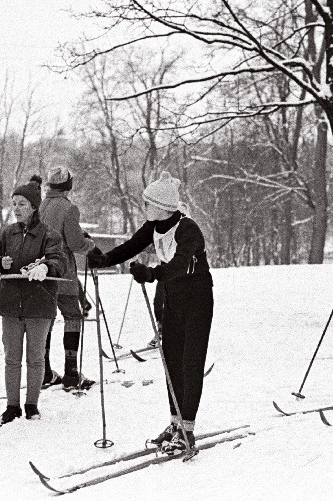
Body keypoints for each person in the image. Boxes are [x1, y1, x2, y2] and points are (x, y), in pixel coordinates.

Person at [87, 171, 213, 454]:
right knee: (171, 360)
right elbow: (132, 245)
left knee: (190, 363)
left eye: (147, 203)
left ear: (162, 205)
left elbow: (182, 264)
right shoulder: (154, 226)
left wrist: (153, 274)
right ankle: (175, 422)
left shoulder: (187, 228)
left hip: (198, 298)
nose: (143, 207)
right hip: (174, 298)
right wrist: (105, 259)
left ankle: (187, 430)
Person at [0, 176, 66, 426]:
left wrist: (46, 268)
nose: (17, 209)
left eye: (22, 204)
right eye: (14, 204)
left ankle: (32, 405)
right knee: (12, 358)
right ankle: (12, 406)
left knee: (35, 357)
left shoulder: (49, 235)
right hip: (10, 304)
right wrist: (0, 263)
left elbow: (59, 262)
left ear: (33, 206)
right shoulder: (5, 234)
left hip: (39, 304)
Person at [39, 166, 96, 391]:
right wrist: (89, 244)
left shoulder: (41, 205)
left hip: (42, 271)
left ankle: (44, 372)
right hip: (63, 272)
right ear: (68, 185)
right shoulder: (68, 208)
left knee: (46, 320)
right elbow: (75, 243)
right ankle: (71, 373)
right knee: (73, 316)